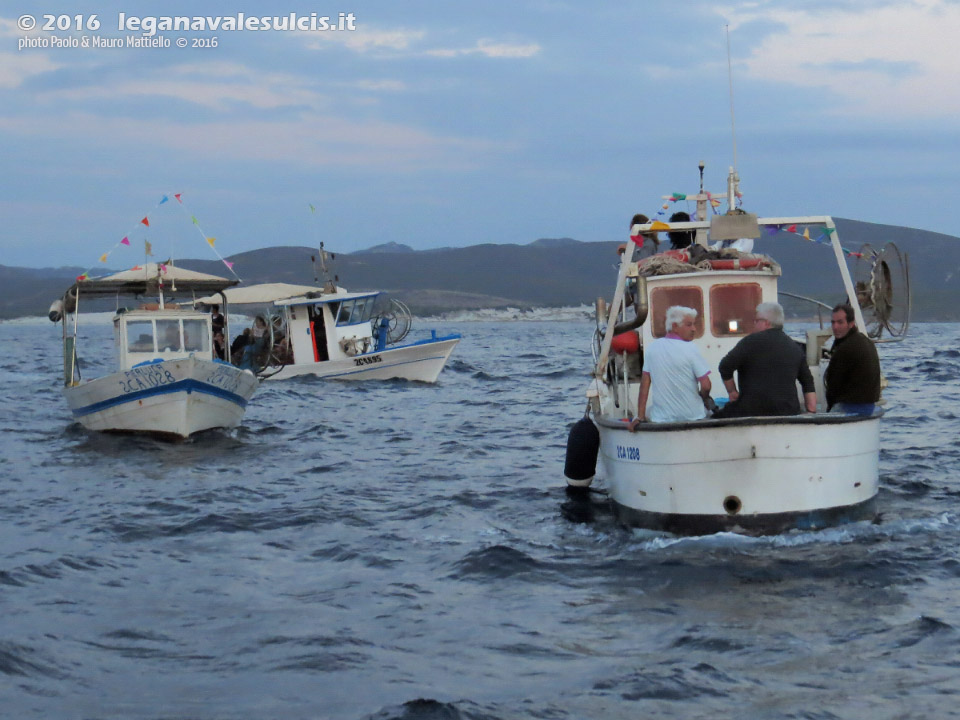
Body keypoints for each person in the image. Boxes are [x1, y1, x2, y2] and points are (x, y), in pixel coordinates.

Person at [714, 302, 817, 417]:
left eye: (756, 321)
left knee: (715, 417)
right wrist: (811, 411)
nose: (754, 324)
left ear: (766, 323)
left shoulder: (750, 342)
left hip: (751, 411)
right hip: (788, 412)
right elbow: (808, 382)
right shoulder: (795, 348)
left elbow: (725, 366)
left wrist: (732, 392)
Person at [630, 305, 712, 426]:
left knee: (649, 412)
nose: (694, 329)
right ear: (675, 327)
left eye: (694, 324)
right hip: (693, 415)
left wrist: (640, 416)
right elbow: (706, 386)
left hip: (662, 418)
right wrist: (703, 397)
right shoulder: (691, 348)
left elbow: (644, 385)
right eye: (689, 325)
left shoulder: (652, 348)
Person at [824, 303, 881, 415]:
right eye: (833, 322)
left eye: (840, 322)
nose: (835, 327)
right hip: (869, 407)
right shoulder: (866, 342)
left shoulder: (845, 348)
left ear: (851, 323)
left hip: (851, 407)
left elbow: (833, 386)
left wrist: (829, 411)